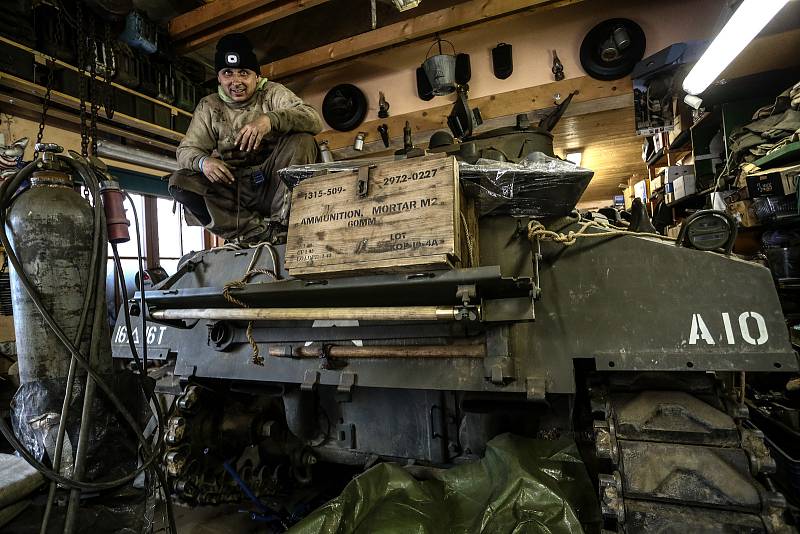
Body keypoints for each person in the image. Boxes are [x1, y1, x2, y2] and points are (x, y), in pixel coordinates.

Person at [171, 33, 322, 244]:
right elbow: (185, 151)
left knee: (303, 140)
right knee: (180, 182)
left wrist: (270, 120)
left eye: (244, 73)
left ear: (256, 77)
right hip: (234, 187)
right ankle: (255, 231)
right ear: (219, 78)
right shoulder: (209, 106)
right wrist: (204, 162)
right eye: (228, 73)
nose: (236, 81)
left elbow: (313, 120)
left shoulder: (272, 93)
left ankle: (282, 226)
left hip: (275, 182)